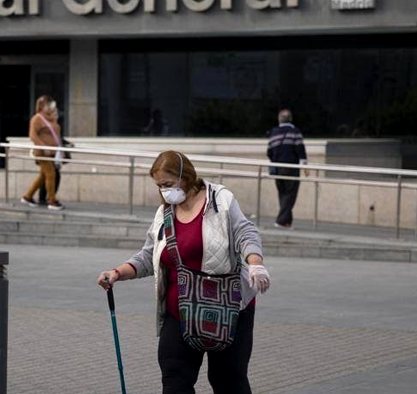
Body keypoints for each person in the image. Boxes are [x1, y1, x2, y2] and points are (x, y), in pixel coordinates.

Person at [96, 150, 270, 394]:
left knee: (228, 380)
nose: (164, 191)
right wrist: (117, 272)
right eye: (160, 186)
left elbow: (245, 232)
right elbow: (148, 255)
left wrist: (255, 262)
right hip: (180, 312)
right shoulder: (164, 213)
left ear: (185, 176)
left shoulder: (220, 200)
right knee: (175, 379)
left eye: (168, 184)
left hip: (227, 308)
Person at [267, 109, 308, 228]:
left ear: (279, 119)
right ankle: (280, 221)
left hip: (277, 168)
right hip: (291, 168)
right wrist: (304, 166)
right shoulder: (295, 132)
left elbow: (269, 152)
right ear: (291, 119)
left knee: (283, 194)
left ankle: (286, 222)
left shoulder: (274, 132)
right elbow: (300, 150)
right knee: (290, 195)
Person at [21, 95, 64, 211]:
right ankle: (51, 199)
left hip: (52, 153)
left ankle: (28, 196)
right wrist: (43, 146)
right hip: (42, 152)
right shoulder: (37, 119)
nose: (50, 107)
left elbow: (56, 134)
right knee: (51, 174)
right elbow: (32, 135)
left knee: (43, 176)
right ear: (41, 106)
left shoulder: (51, 119)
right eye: (47, 105)